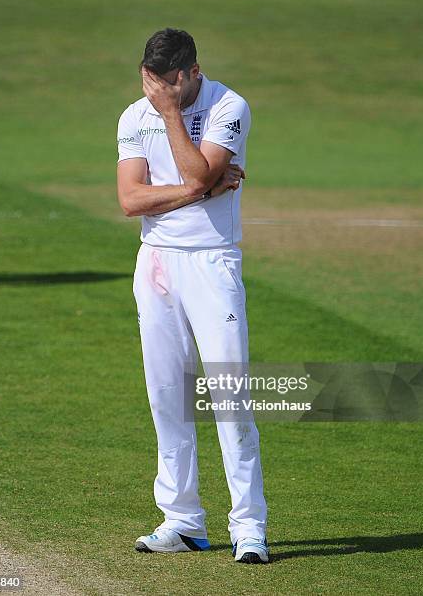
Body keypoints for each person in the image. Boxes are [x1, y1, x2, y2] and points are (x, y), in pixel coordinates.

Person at [116, 28, 268, 564]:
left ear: (189, 74)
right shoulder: (134, 117)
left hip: (211, 262)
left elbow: (200, 168)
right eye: (147, 80)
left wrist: (174, 119)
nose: (152, 91)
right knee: (165, 395)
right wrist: (193, 192)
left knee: (229, 397)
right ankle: (182, 521)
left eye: (163, 83)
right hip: (156, 263)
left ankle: (249, 527)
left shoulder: (229, 106)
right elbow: (132, 200)